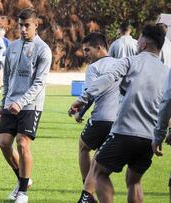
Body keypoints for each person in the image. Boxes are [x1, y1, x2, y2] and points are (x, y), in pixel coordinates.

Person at [69, 24, 168, 203]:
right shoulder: (166, 72)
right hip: (149, 138)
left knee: (98, 172)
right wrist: (163, 133)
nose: (137, 43)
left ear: (144, 43)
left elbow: (107, 78)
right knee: (134, 181)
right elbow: (167, 104)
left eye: (139, 39)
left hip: (125, 132)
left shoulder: (131, 61)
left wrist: (83, 99)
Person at [0, 8, 52, 203]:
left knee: (22, 143)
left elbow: (39, 82)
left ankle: (23, 193)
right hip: (11, 103)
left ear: (36, 24)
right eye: (20, 25)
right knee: (3, 143)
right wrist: (4, 104)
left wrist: (21, 102)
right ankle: (24, 179)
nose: (23, 29)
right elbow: (8, 79)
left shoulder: (43, 50)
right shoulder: (12, 47)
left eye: (27, 25)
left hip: (31, 105)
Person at [69, 33, 120, 203]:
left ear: (99, 48)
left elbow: (91, 93)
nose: (85, 54)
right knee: (100, 161)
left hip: (101, 118)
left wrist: (79, 113)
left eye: (87, 50)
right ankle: (89, 195)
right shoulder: (121, 64)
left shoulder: (94, 67)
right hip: (120, 121)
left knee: (83, 146)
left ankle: (86, 194)